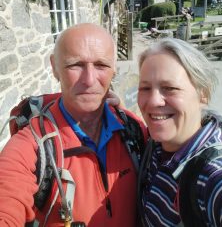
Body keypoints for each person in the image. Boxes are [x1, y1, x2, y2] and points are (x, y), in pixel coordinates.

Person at [0, 23, 146, 227]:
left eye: (101, 65)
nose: (89, 80)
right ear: (55, 67)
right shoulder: (32, 146)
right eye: (75, 65)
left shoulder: (133, 130)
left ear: (114, 68)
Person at [137, 37, 222, 226]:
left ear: (204, 94)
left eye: (170, 88)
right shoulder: (154, 146)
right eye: (145, 88)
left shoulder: (211, 174)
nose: (153, 101)